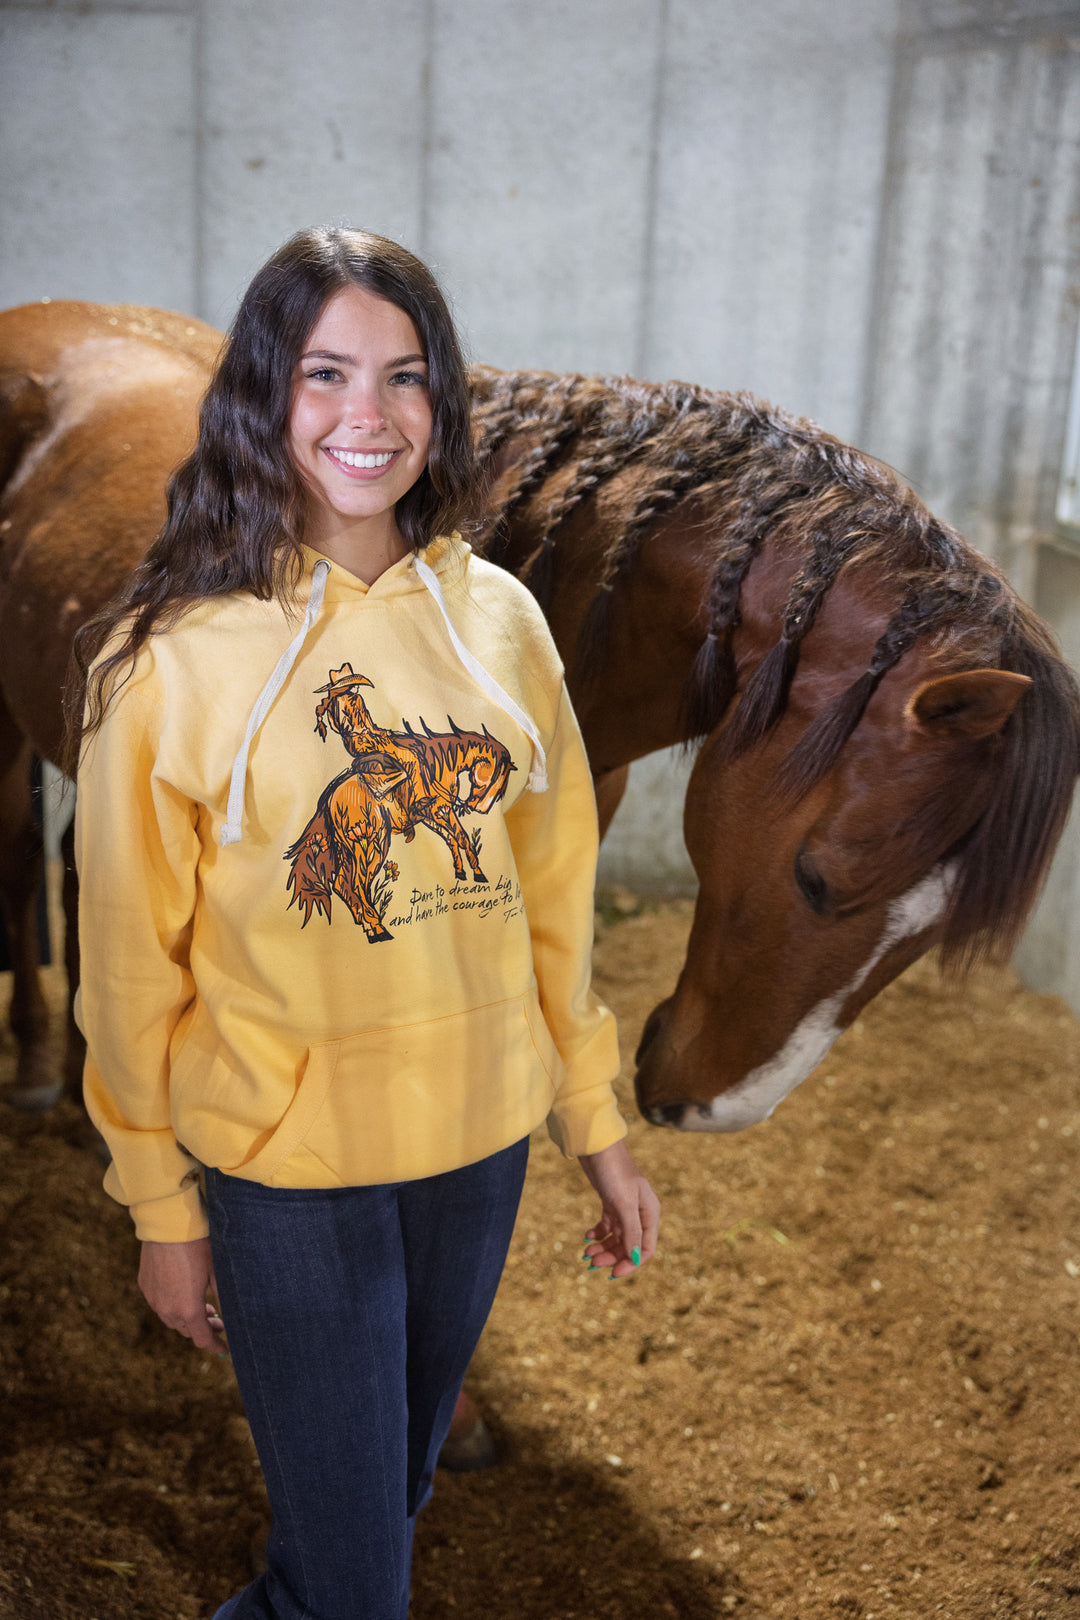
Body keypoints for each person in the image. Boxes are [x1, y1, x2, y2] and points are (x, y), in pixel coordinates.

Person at [69, 227, 660, 1620]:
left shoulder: (501, 622)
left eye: (404, 376)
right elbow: (128, 968)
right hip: (292, 1174)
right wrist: (160, 1205)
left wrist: (593, 1115)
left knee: (384, 1507)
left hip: (478, 1150)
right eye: (325, 372)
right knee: (350, 1590)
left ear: (441, 400)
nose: (368, 415)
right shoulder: (168, 660)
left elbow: (552, 894)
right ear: (262, 394)